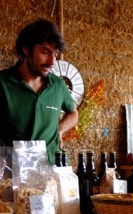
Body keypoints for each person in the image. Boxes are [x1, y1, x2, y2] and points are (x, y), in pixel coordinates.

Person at [0, 19, 78, 166]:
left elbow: (73, 112)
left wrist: (60, 130)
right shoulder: (3, 83)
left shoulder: (58, 85)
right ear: (26, 49)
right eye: (45, 52)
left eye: (55, 55)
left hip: (51, 169)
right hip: (11, 173)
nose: (52, 62)